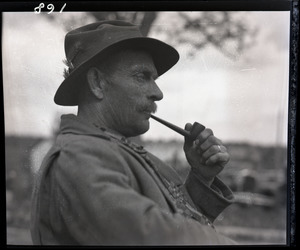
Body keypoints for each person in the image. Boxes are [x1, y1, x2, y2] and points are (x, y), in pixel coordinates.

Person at [31, 20, 236, 245]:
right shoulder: (79, 155)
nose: (157, 93)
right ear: (97, 83)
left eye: (154, 80)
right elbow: (152, 236)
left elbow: (172, 219)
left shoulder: (113, 149)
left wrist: (201, 176)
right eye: (141, 77)